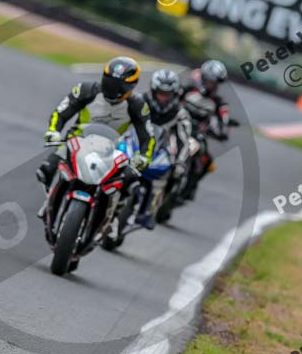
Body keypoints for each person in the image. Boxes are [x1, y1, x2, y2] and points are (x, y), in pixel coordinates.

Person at [36, 56, 156, 188]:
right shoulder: (86, 90)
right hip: (76, 142)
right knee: (46, 170)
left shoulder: (137, 106)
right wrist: (53, 131)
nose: (112, 88)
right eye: (109, 81)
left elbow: (147, 136)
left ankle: (112, 206)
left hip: (111, 152)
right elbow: (60, 112)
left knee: (130, 183)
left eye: (118, 85)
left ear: (131, 86)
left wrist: (144, 157)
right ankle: (49, 204)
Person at [133, 68, 192, 228]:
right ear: (153, 90)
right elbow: (121, 120)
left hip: (159, 149)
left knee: (175, 172)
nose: (163, 98)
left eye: (168, 95)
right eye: (160, 93)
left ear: (175, 95)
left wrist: (180, 163)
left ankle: (154, 208)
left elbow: (184, 140)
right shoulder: (138, 100)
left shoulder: (180, 113)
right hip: (133, 143)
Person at [180, 59, 231, 201]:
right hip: (177, 127)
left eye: (215, 83)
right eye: (210, 81)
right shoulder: (189, 90)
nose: (212, 85)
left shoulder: (219, 102)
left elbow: (223, 121)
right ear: (203, 78)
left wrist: (221, 131)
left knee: (207, 161)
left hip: (197, 135)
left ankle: (190, 187)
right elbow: (172, 100)